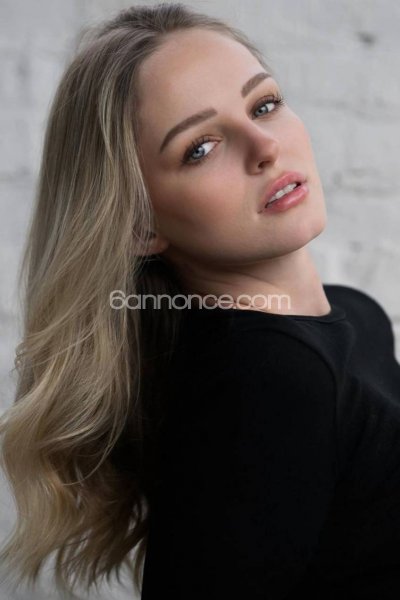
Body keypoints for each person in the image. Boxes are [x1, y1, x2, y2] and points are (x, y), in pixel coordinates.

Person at [1, 3, 399, 600]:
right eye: (200, 148)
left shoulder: (353, 316)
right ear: (139, 226)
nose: (265, 145)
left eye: (264, 104)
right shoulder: (270, 379)